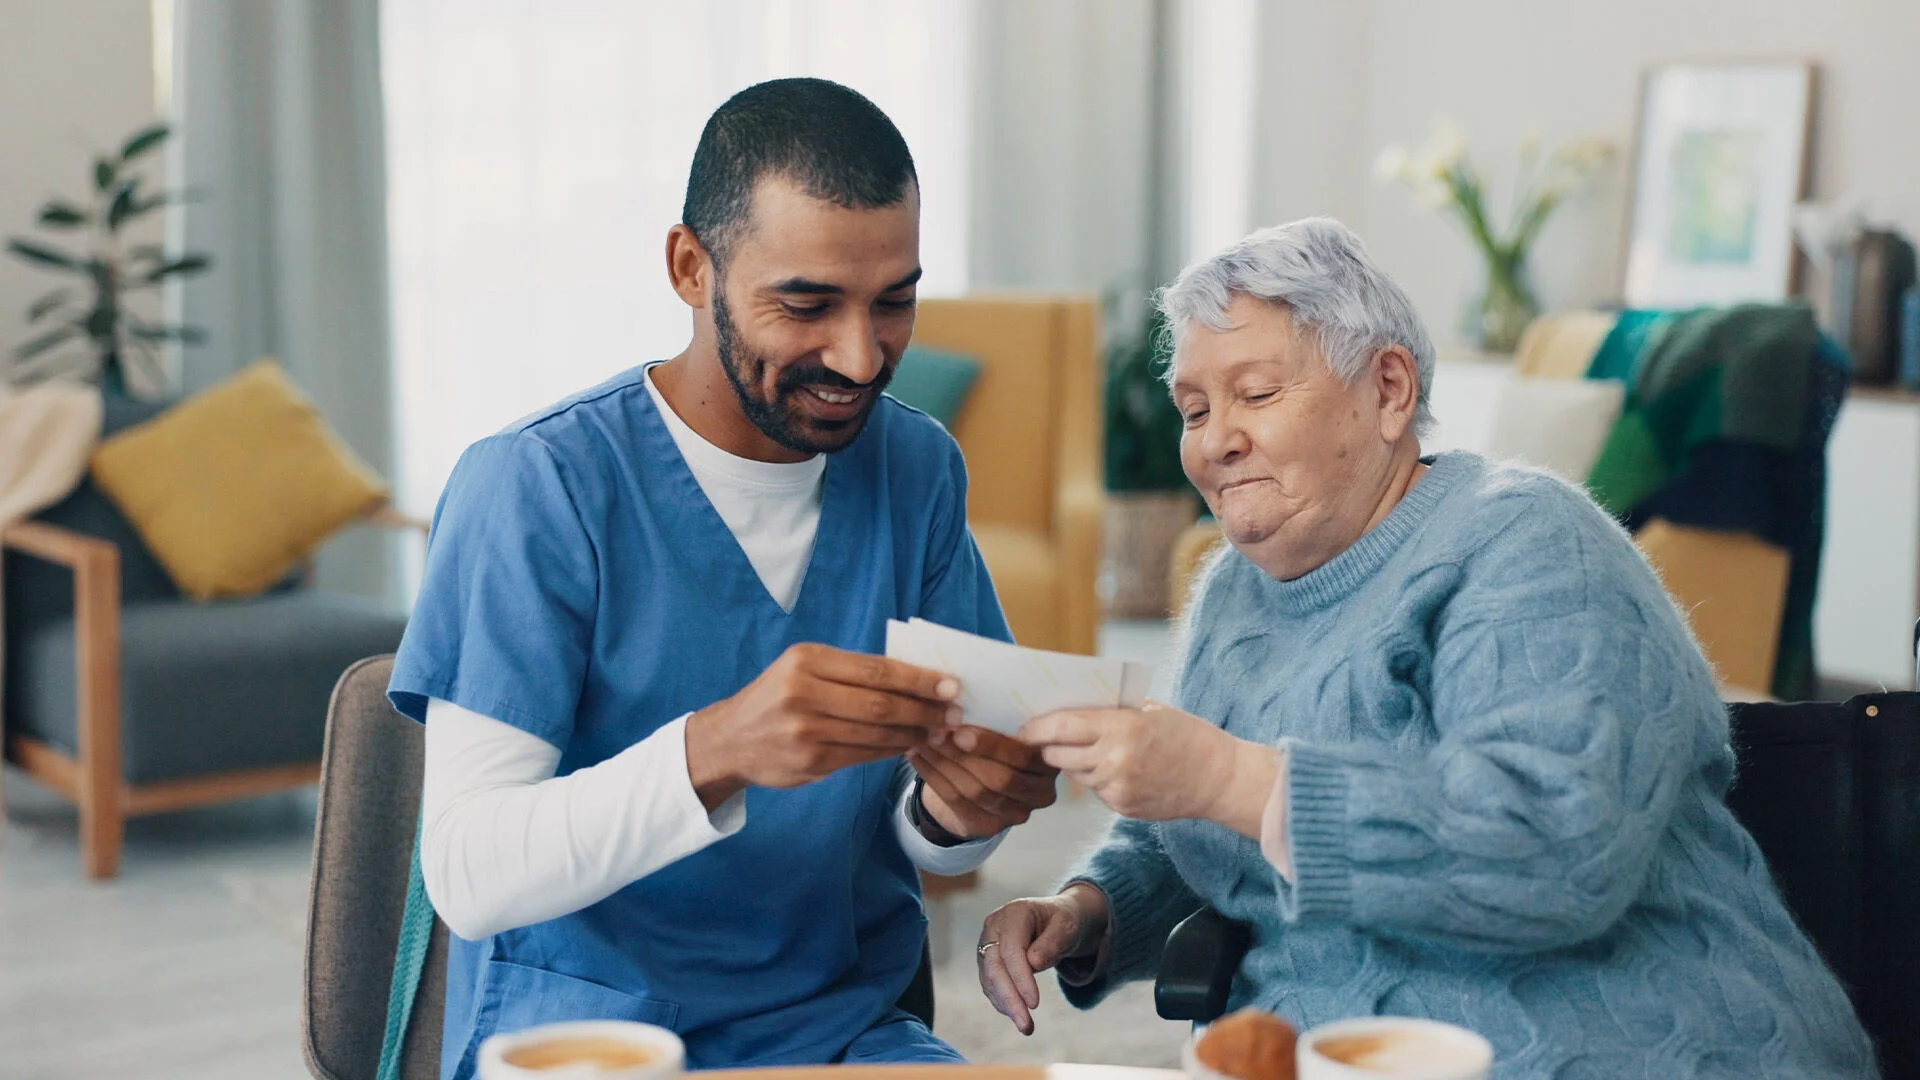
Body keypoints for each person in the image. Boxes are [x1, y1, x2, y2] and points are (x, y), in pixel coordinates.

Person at [978, 218, 1875, 1078]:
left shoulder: (1525, 540)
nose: (1216, 441)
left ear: (1389, 391)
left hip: (1603, 1041)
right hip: (1330, 1046)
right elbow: (1202, 820)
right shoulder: (1231, 591)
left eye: (1255, 395)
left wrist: (1225, 776)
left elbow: (1558, 851)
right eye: (1194, 407)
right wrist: (1088, 909)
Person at [391, 78, 1058, 1076]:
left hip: (836, 1032)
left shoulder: (914, 471)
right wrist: (719, 749)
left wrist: (959, 814)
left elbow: (931, 839)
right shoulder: (538, 487)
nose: (862, 355)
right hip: (590, 1039)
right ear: (690, 266)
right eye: (807, 305)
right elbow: (470, 872)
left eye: (895, 302)